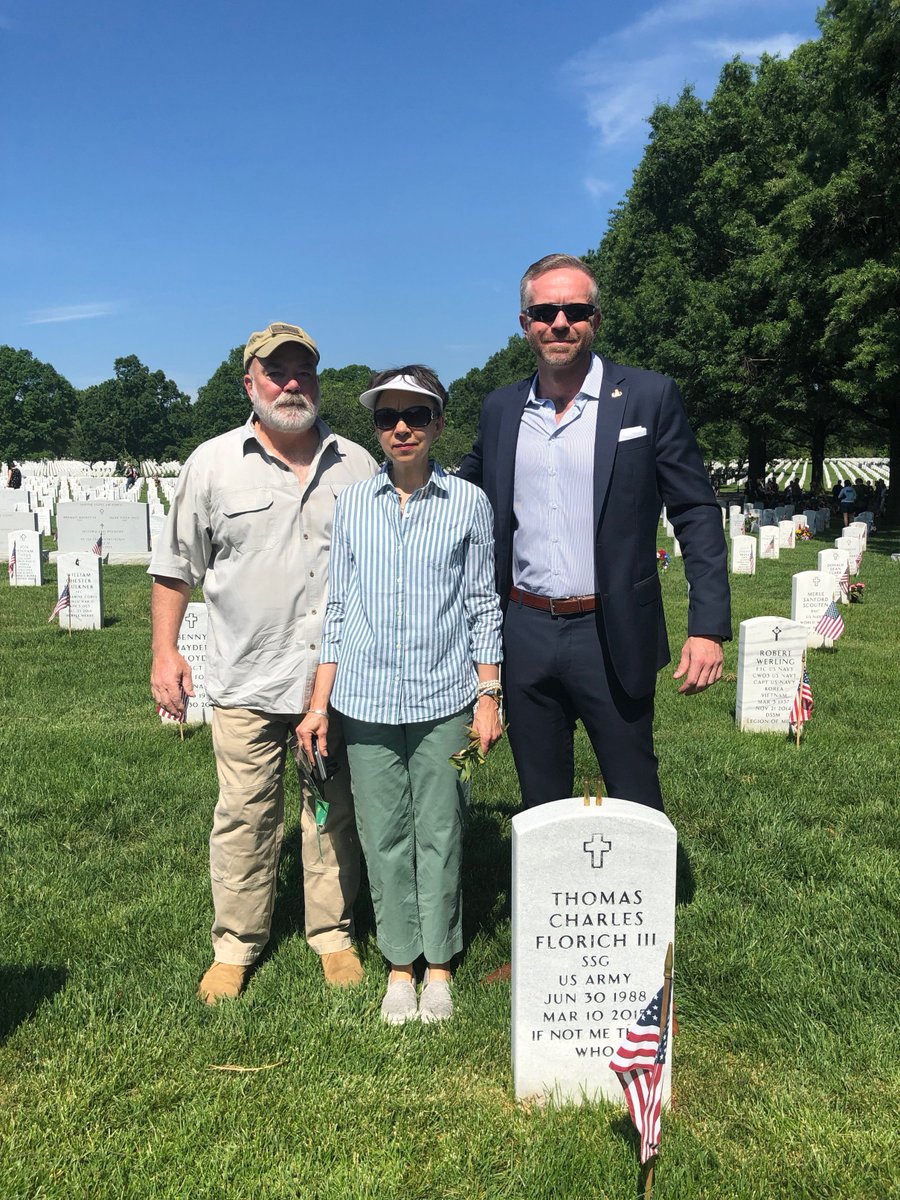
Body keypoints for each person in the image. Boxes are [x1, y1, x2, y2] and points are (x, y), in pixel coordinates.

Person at [149, 322, 378, 1003]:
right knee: (247, 815)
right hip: (246, 676)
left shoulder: (357, 465)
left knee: (330, 814)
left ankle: (331, 934)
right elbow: (173, 568)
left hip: (334, 684)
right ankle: (236, 945)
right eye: (274, 372)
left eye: (301, 372)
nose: (289, 384)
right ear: (249, 382)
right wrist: (164, 652)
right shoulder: (213, 464)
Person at [457, 253, 731, 814]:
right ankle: (552, 901)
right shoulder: (500, 408)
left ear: (595, 320)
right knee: (538, 799)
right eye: (546, 311)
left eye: (575, 310)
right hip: (525, 630)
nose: (560, 322)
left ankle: (644, 899)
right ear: (525, 323)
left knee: (633, 787)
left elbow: (696, 510)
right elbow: (465, 493)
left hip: (613, 630)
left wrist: (708, 627)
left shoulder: (648, 398)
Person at [298, 366, 503, 1024]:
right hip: (365, 705)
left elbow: (483, 608)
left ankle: (439, 963)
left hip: (448, 706)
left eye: (416, 415)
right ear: (377, 429)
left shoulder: (470, 503)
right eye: (388, 418)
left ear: (440, 423)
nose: (402, 428)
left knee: (443, 828)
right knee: (383, 834)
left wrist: (489, 697)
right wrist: (320, 703)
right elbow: (338, 612)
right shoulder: (353, 506)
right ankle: (398, 962)